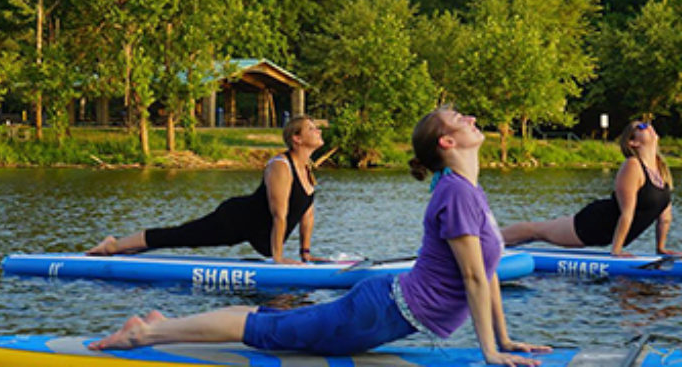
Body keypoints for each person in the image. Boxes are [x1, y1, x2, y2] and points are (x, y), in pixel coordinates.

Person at [90, 107, 551, 366]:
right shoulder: (456, 195)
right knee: (266, 330)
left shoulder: (468, 190)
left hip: (383, 311)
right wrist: (489, 353)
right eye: (459, 118)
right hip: (379, 313)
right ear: (446, 144)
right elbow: (472, 279)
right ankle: (145, 333)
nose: (471, 118)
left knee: (270, 322)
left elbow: (487, 272)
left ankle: (159, 322)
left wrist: (505, 342)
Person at [87, 115, 325, 264]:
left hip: (262, 235)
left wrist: (305, 252)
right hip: (235, 220)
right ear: (297, 138)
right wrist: (279, 258)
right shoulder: (280, 166)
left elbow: (307, 214)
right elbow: (279, 214)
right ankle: (113, 245)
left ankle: (127, 250)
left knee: (178, 237)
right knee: (180, 236)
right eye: (312, 128)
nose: (319, 131)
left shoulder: (307, 170)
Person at [500, 119, 677, 257]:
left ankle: (498, 245)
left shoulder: (662, 170)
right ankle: (489, 243)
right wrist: (616, 251)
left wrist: (661, 248)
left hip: (609, 234)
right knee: (538, 231)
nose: (648, 127)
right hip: (594, 224)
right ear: (633, 142)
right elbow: (627, 212)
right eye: (642, 126)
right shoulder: (633, 166)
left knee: (539, 232)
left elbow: (664, 217)